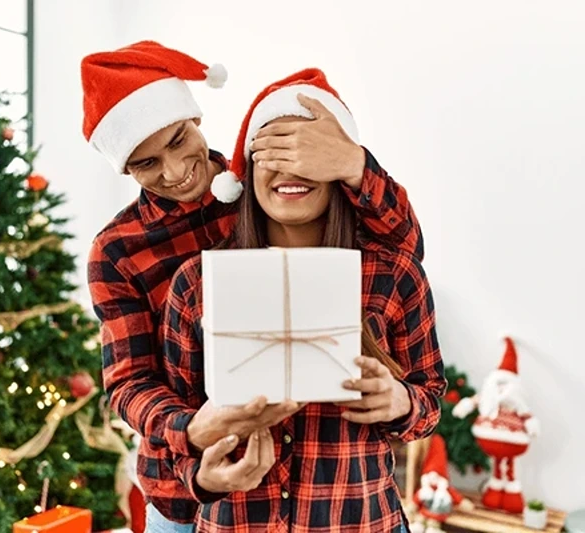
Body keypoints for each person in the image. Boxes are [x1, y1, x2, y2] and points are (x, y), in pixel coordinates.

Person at [82, 41, 425, 531]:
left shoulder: (264, 183)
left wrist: (353, 164)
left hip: (326, 489)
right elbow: (130, 381)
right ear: (125, 169)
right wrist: (193, 430)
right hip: (187, 486)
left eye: (179, 141)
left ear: (196, 121)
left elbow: (400, 256)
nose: (176, 173)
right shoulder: (118, 251)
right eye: (146, 164)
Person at [160, 68, 446, 532]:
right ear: (248, 169)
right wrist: (203, 476)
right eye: (273, 151)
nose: (291, 168)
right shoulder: (196, 283)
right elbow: (175, 427)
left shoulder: (392, 274)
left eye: (309, 154)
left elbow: (429, 400)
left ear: (335, 167)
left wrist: (400, 402)